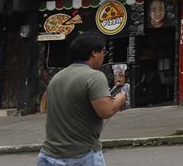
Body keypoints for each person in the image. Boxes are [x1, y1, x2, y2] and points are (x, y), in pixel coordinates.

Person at [38, 32, 128, 166]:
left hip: (49, 155)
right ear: (94, 53)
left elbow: (46, 108)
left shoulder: (57, 77)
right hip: (81, 156)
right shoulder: (94, 76)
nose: (103, 56)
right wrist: (120, 98)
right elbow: (106, 111)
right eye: (103, 52)